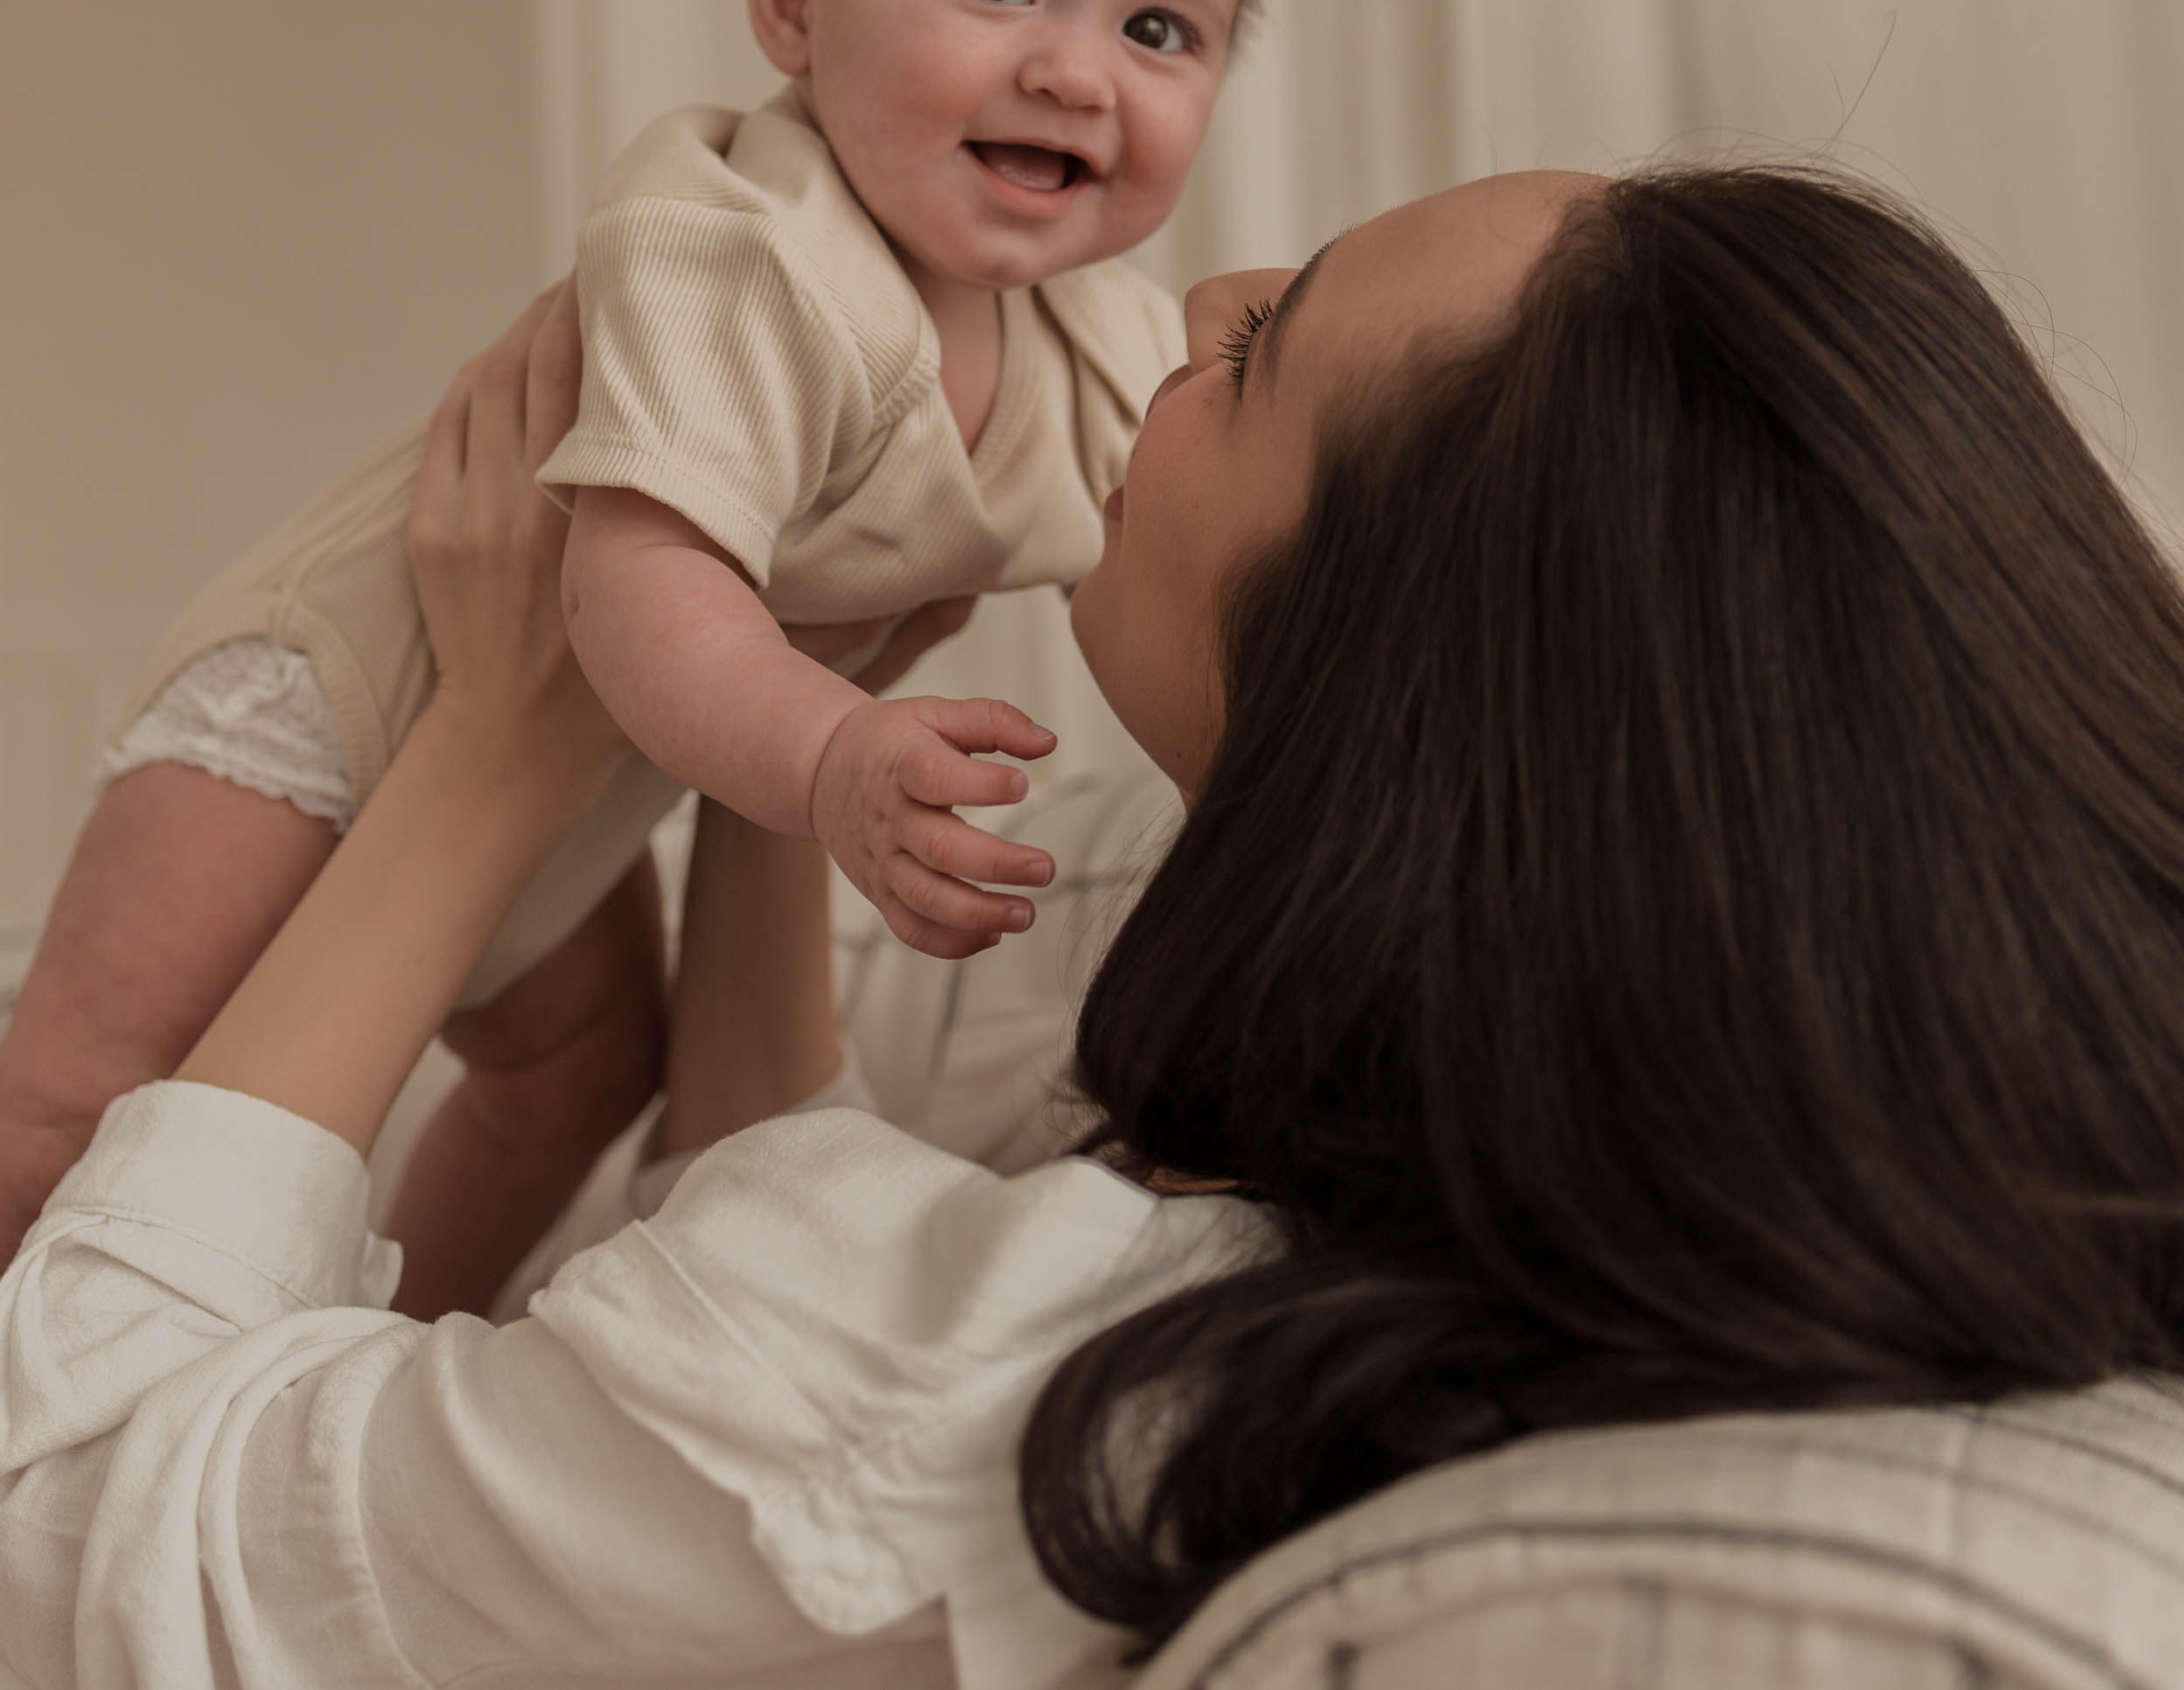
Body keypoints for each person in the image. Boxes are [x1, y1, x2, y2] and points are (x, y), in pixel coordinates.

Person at [10, 156, 2184, 1690]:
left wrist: (490, 747)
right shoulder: (1503, 1249)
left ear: (1403, 699)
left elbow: (70, 1518)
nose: (1200, 298)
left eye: (1272, 343)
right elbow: (764, 1264)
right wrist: (788, 766)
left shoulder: (979, 1365)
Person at [0, 0, 1303, 1300]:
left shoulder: (1094, 349)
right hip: (339, 705)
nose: (1074, 69)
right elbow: (635, 583)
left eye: (1159, 26)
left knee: (573, 1075)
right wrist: (835, 762)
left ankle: (362, 1349)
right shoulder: (747, 252)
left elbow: (1201, 573)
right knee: (66, 1109)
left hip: (577, 773)